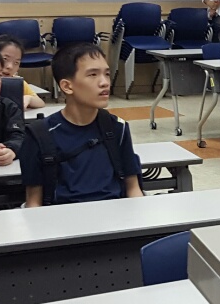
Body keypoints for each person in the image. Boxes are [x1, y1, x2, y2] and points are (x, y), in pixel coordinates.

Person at [19, 43, 142, 206]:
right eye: (93, 75)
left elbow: (133, 189)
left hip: (114, 215)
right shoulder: (39, 134)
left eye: (107, 74)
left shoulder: (117, 127)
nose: (104, 82)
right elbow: (34, 202)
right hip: (63, 218)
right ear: (67, 86)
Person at [0, 34, 46, 110]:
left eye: (16, 63)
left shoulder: (16, 82)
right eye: (5, 59)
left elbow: (41, 102)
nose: (10, 67)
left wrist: (29, 98)